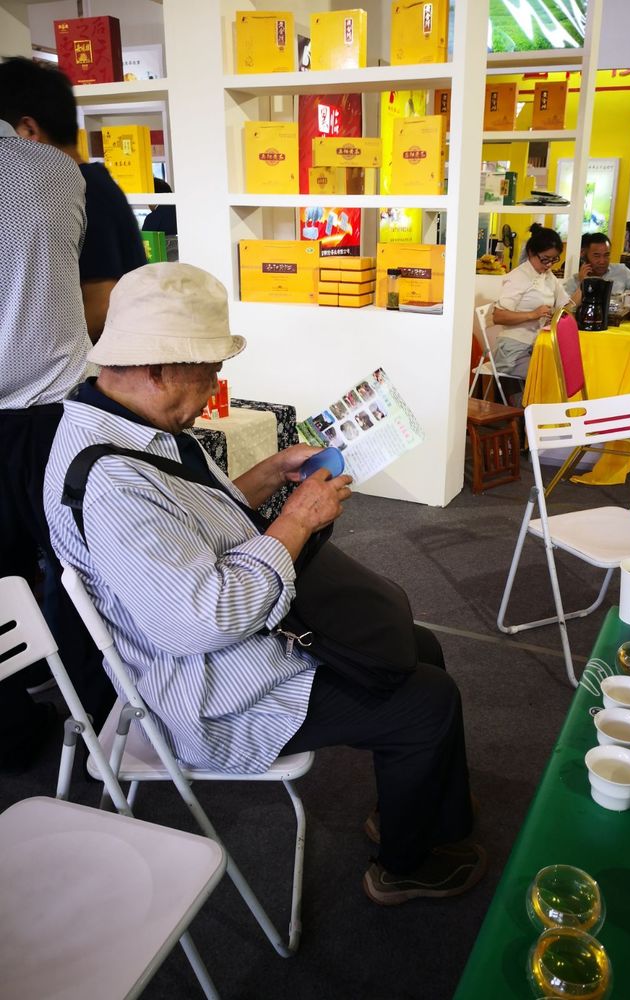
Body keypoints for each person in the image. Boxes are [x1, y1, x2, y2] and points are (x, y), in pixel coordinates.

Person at [43, 262, 485, 906]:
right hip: (208, 688)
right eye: (208, 370)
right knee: (429, 701)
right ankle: (405, 864)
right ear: (158, 368)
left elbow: (197, 519)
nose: (216, 385)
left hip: (235, 645)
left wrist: (274, 471)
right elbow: (202, 619)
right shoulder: (113, 480)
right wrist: (298, 520)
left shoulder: (128, 426)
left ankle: (413, 810)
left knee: (421, 648)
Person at [0, 119, 112, 771]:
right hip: (53, 416)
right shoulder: (54, 170)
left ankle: (11, 728)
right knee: (79, 568)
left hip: (40, 413)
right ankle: (99, 723)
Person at [0, 57, 147, 341]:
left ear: (28, 130)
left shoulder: (80, 192)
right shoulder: (87, 184)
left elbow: (101, 305)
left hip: (95, 363)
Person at [489, 227, 580, 381]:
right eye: (545, 259)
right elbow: (498, 316)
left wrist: (583, 285)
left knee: (570, 367)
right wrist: (533, 314)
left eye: (554, 259)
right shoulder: (518, 277)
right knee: (551, 376)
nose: (549, 264)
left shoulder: (547, 275)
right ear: (531, 253)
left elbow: (566, 306)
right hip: (512, 350)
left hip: (536, 345)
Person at [564, 233, 630, 322]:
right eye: (596, 256)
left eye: (606, 255)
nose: (602, 261)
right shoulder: (574, 281)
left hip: (616, 325)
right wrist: (583, 284)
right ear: (584, 255)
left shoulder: (620, 271)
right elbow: (566, 312)